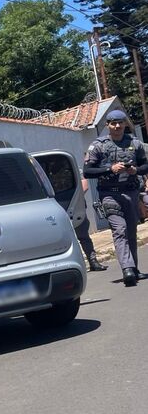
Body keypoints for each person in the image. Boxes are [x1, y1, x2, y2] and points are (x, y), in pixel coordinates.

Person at [83, 109, 148, 286]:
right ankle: (127, 269)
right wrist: (109, 169)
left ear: (126, 124)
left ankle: (134, 269)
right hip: (109, 194)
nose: (117, 126)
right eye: (113, 123)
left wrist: (136, 170)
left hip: (131, 193)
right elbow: (88, 171)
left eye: (120, 122)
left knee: (131, 231)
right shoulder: (98, 145)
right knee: (120, 230)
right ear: (108, 125)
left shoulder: (135, 143)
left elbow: (145, 165)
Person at [74, 177, 107, 272]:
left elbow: (84, 184)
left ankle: (93, 261)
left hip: (76, 206)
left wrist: (75, 197)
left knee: (83, 236)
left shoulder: (70, 164)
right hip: (56, 208)